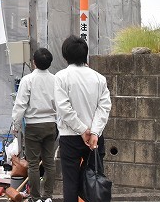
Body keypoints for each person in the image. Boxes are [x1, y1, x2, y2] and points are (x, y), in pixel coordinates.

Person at [54, 35, 111, 202]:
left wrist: (81, 130)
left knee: (70, 183)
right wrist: (94, 132)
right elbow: (104, 107)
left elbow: (64, 108)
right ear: (85, 54)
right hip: (95, 138)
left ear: (65, 56)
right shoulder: (99, 78)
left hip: (70, 137)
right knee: (94, 180)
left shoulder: (61, 77)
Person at [11, 48, 57, 202]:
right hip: (51, 124)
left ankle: (35, 197)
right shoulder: (55, 80)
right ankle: (48, 196)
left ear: (34, 62)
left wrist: (16, 125)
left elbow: (20, 105)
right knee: (49, 162)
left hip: (33, 125)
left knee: (33, 164)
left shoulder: (28, 80)